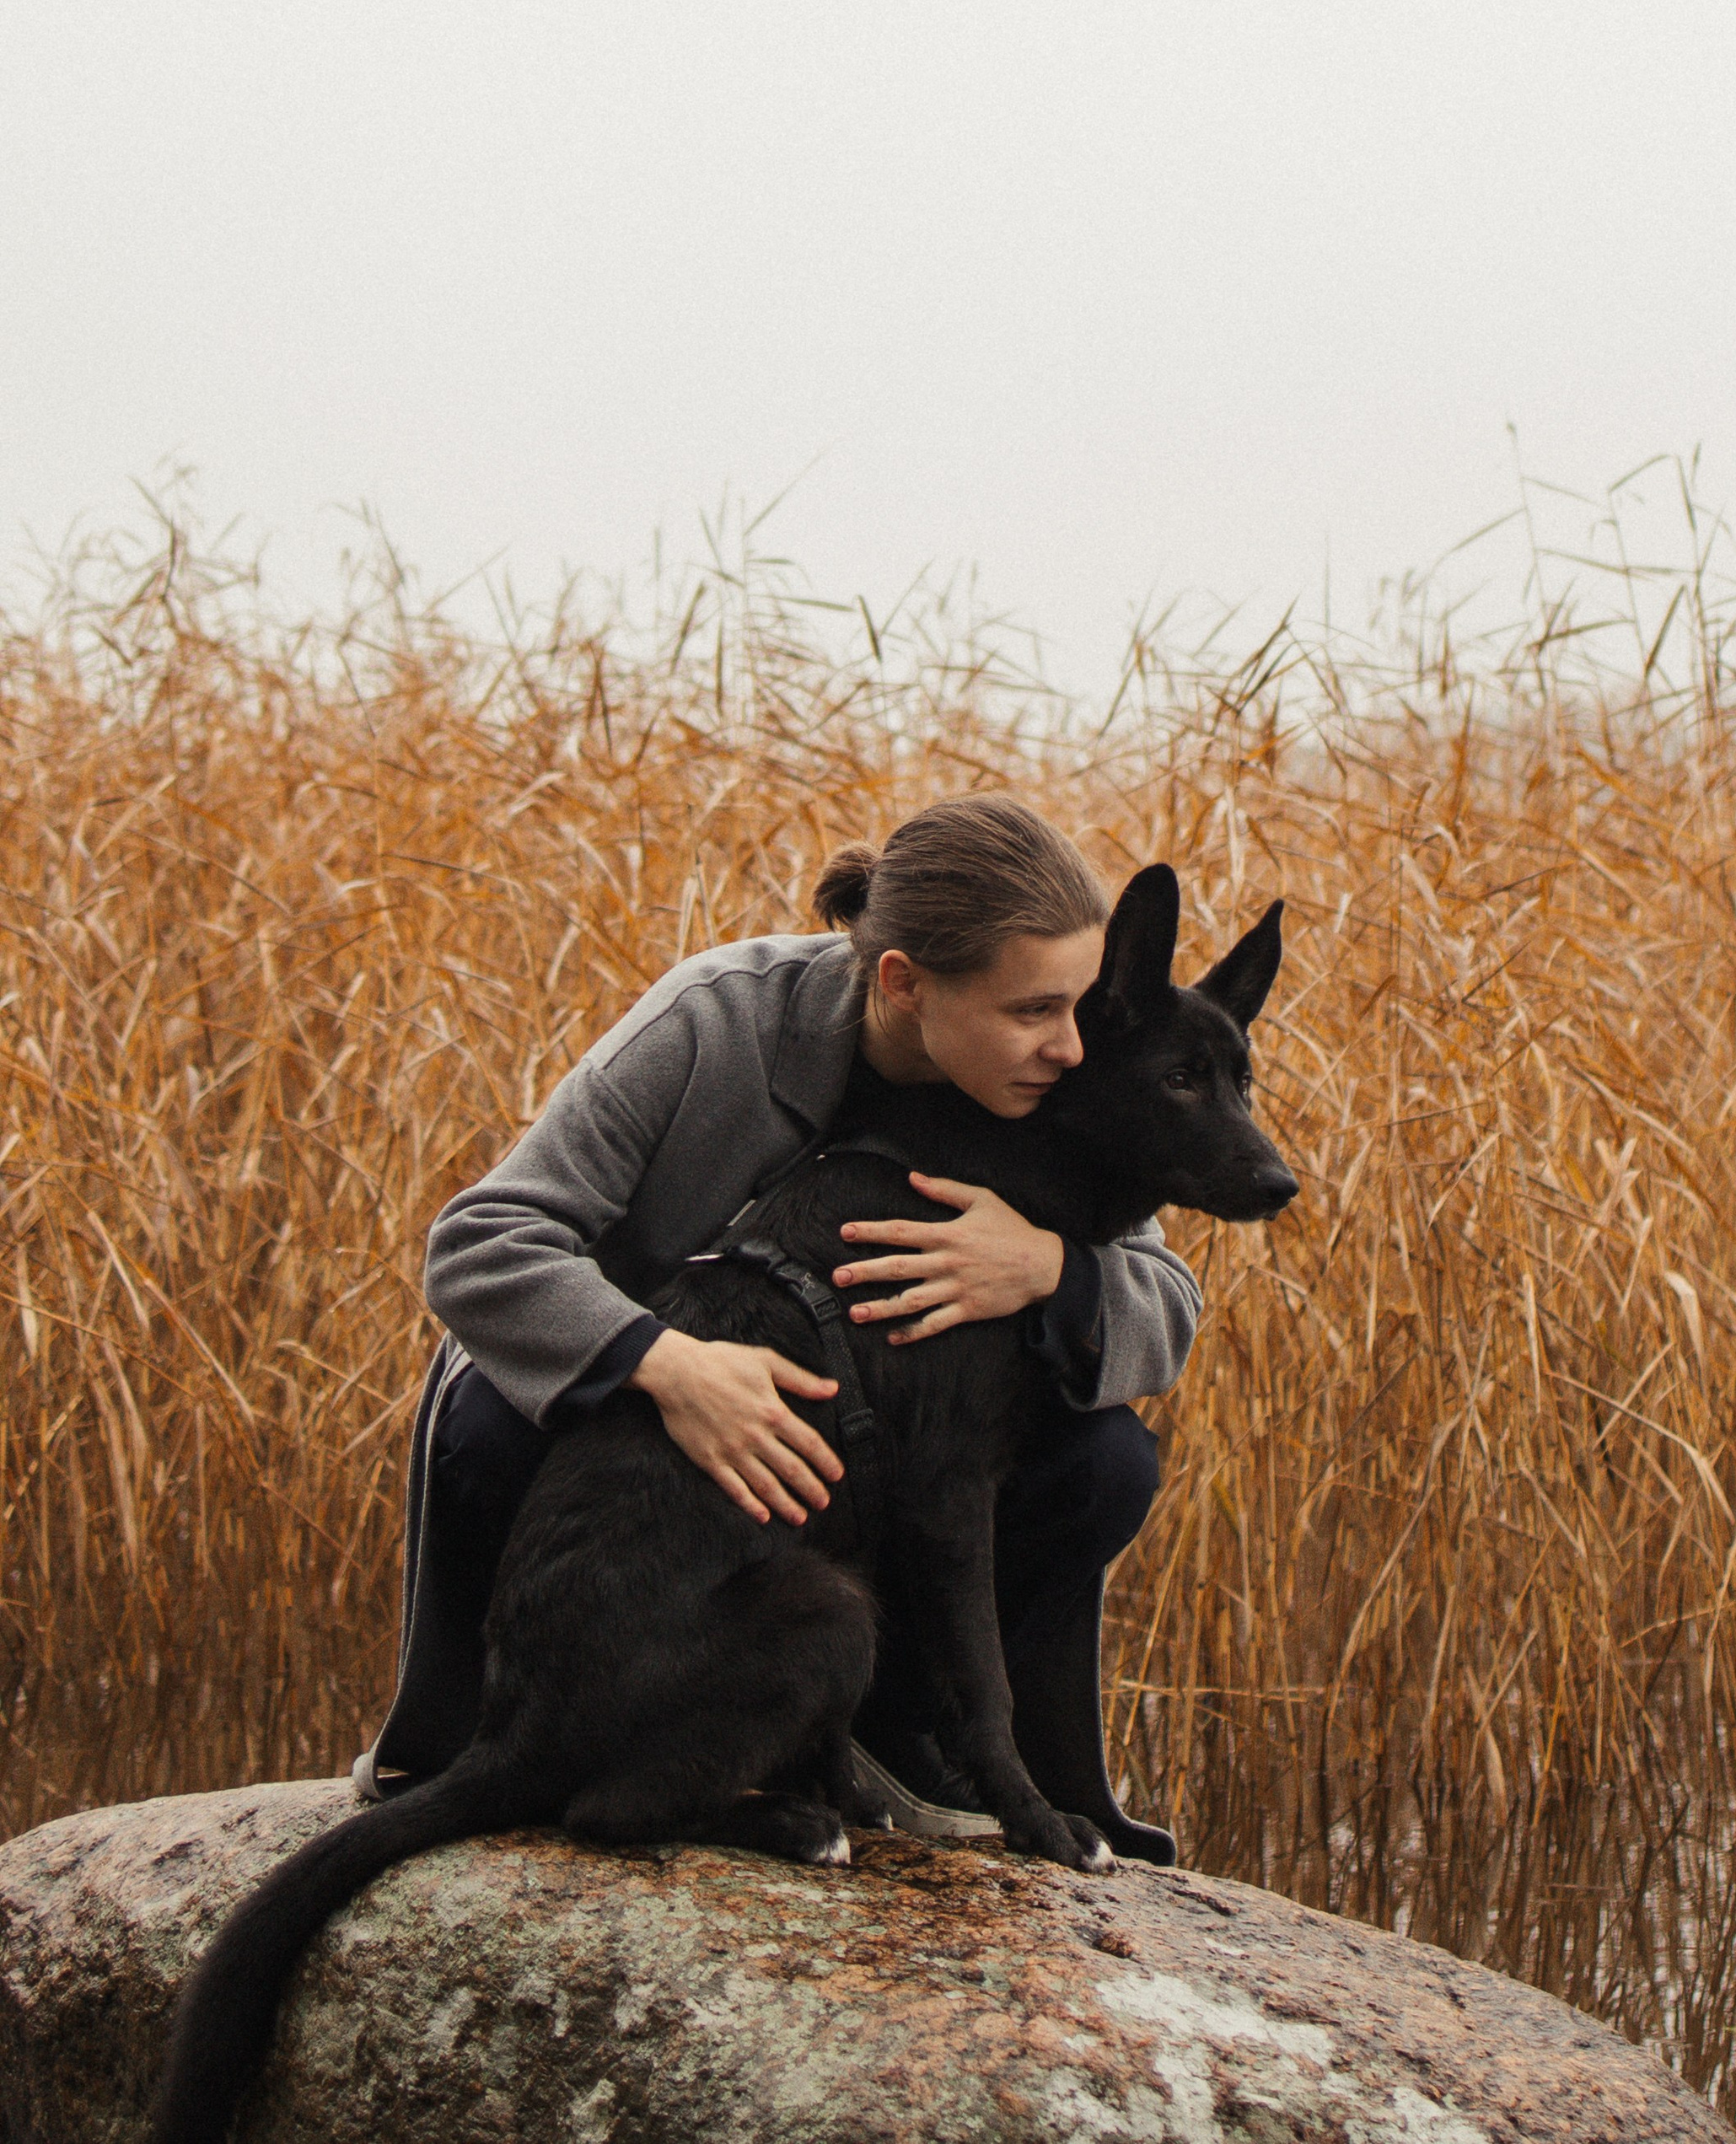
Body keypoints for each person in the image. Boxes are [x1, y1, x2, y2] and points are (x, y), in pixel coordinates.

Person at [352, 793, 1195, 1861]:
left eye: (1079, 1003)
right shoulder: (719, 1020)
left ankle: (898, 1726)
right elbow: (482, 1242)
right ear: (904, 983)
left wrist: (1049, 1270)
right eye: (1033, 1009)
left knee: (1106, 1461)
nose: (1073, 1045)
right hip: (644, 1453)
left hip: (859, 1460)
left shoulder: (1054, 1074)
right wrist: (667, 1367)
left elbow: (1166, 1310)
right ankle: (479, 1736)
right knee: (487, 1416)